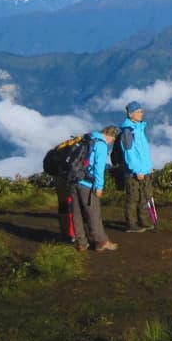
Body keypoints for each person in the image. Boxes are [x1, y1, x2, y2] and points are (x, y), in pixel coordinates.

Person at [71, 125, 119, 252]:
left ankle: (81, 243)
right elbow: (99, 168)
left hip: (74, 180)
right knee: (93, 213)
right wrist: (99, 186)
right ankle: (101, 242)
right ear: (111, 136)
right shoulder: (101, 145)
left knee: (77, 213)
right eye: (113, 139)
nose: (112, 142)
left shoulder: (88, 138)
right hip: (87, 183)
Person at [119, 101, 156, 233]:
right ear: (131, 114)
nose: (142, 113)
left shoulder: (139, 129)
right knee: (133, 198)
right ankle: (131, 224)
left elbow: (143, 152)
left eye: (141, 111)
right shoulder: (128, 132)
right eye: (139, 112)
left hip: (144, 170)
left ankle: (144, 220)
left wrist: (148, 167)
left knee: (144, 196)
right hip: (133, 172)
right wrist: (137, 170)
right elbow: (129, 153)